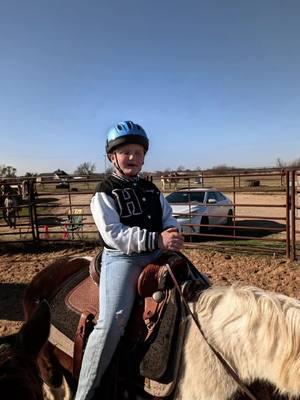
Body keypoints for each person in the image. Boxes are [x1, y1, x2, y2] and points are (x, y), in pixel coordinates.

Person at [75, 121, 184, 400]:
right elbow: (114, 235)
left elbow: (168, 218)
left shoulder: (152, 191)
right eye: (126, 152)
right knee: (113, 321)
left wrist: (172, 233)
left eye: (138, 152)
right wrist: (156, 240)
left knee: (198, 287)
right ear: (113, 156)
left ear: (144, 156)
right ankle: (85, 393)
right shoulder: (104, 191)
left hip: (157, 252)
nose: (133, 158)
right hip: (122, 257)